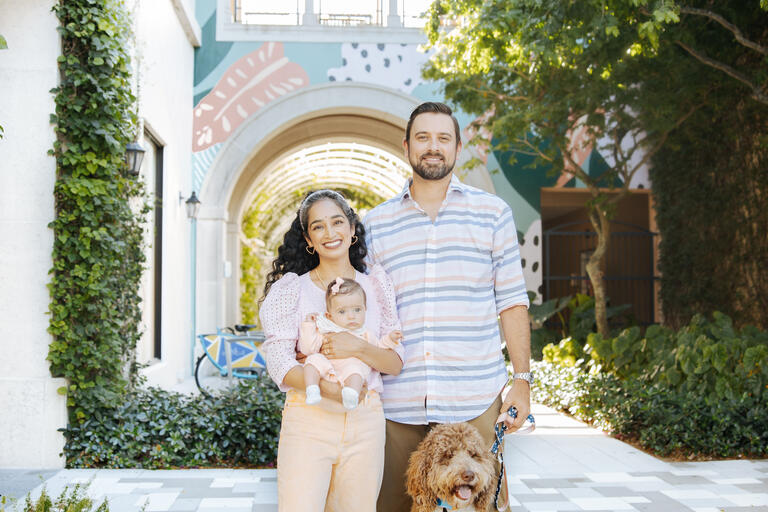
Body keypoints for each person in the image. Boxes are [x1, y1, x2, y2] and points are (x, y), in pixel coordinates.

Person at [360, 102, 532, 512]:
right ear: (406, 146)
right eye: (423, 137)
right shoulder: (375, 224)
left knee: (482, 507)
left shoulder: (492, 214)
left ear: (457, 147)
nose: (432, 147)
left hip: (473, 396)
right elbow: (365, 313)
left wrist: (522, 380)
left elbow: (511, 302)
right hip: (397, 402)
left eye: (443, 138)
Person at [259, 189, 404, 511]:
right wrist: (327, 389)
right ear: (309, 240)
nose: (330, 233)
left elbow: (394, 362)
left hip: (366, 419)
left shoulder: (376, 285)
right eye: (318, 226)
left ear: (352, 230)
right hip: (308, 417)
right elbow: (279, 361)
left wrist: (356, 347)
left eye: (337, 222)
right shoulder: (292, 290)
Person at [300, 276, 403, 410]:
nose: (351, 316)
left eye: (357, 310)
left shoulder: (365, 334)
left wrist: (390, 339)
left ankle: (351, 395)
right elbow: (309, 349)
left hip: (349, 370)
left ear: (365, 309)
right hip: (327, 370)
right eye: (342, 311)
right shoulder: (327, 331)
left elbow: (378, 346)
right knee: (313, 360)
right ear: (329, 316)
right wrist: (309, 325)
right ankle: (312, 389)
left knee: (356, 371)